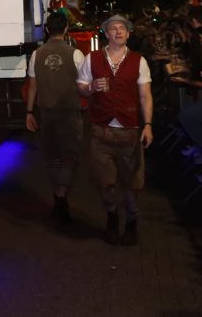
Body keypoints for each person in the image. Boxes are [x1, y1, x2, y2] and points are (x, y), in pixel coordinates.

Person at [76, 14, 153, 245]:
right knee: (104, 183)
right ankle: (111, 214)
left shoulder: (139, 61)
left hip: (130, 130)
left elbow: (145, 95)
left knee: (132, 184)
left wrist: (148, 125)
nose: (118, 32)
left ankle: (131, 219)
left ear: (129, 34)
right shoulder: (92, 58)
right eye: (113, 29)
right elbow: (80, 87)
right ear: (106, 34)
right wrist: (90, 88)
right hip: (101, 130)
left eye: (122, 28)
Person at [25, 11, 86, 224]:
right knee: (69, 157)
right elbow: (84, 84)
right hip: (70, 112)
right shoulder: (76, 54)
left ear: (47, 30)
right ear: (67, 29)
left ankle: (57, 198)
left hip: (46, 112)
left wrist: (29, 112)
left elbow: (32, 87)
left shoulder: (37, 54)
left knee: (53, 156)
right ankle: (62, 198)